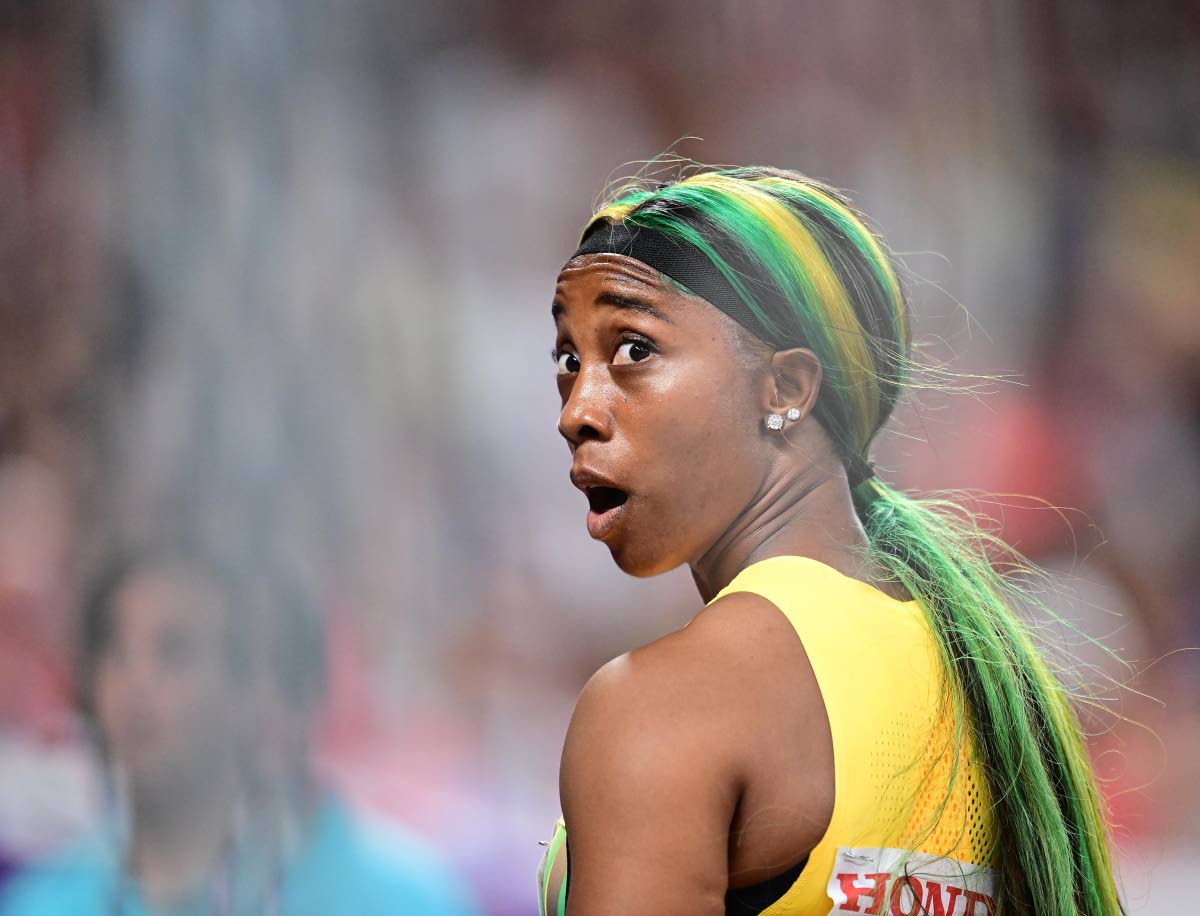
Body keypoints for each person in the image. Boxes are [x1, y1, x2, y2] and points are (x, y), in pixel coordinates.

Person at [538, 167, 1123, 916]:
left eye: (634, 351)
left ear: (786, 389)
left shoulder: (672, 704)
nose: (577, 410)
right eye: (568, 359)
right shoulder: (989, 675)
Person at [0, 549, 479, 916]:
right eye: (114, 649)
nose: (136, 682)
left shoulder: (404, 897)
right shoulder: (45, 901)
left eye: (176, 651)